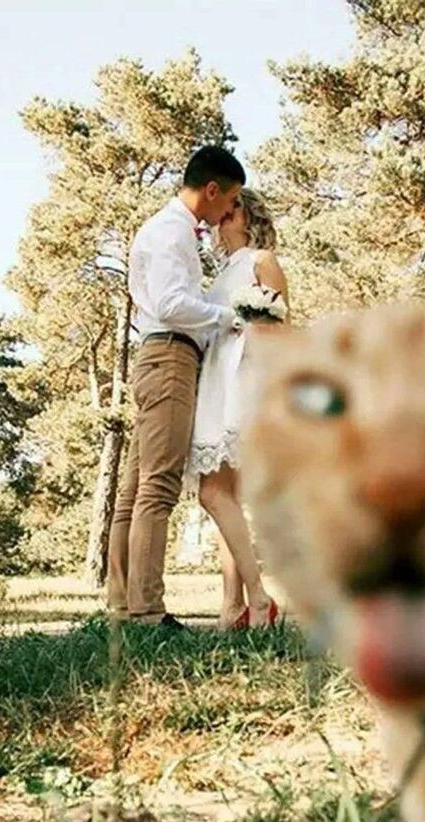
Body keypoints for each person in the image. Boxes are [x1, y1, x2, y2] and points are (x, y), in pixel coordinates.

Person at [107, 145, 245, 629]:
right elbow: (169, 302)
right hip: (169, 356)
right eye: (230, 200)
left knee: (135, 488)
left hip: (158, 355)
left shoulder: (173, 230)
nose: (229, 211)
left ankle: (122, 606)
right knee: (158, 486)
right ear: (212, 190)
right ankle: (146, 613)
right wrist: (228, 317)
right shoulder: (170, 232)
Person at [187, 188, 289, 629]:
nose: (225, 214)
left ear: (251, 217)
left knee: (212, 494)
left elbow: (280, 330)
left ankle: (259, 598)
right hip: (215, 381)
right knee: (225, 497)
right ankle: (232, 608)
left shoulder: (261, 260)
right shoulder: (219, 274)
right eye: (223, 208)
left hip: (244, 382)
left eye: (236, 207)